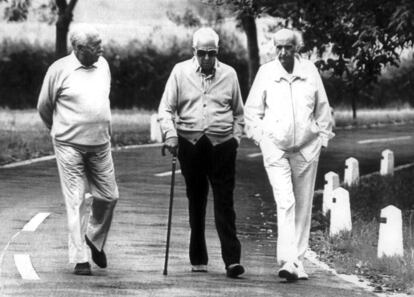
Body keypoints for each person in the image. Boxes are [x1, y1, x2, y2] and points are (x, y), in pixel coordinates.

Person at [244, 28, 334, 281]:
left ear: (297, 48)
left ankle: (298, 263)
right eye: (279, 47)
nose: (283, 53)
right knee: (286, 201)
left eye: (288, 47)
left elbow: (323, 109)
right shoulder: (266, 72)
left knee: (303, 207)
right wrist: (263, 139)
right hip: (276, 149)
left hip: (306, 149)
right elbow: (251, 114)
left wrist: (320, 140)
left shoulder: (310, 72)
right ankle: (287, 260)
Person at [158, 27, 245, 278]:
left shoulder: (229, 74)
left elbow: (239, 112)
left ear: (218, 52)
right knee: (196, 200)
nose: (207, 58)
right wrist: (170, 135)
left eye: (212, 53)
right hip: (190, 143)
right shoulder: (180, 72)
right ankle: (198, 258)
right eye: (202, 53)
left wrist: (235, 139)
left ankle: (232, 261)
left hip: (222, 145)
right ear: (193, 51)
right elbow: (166, 109)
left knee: (225, 203)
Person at [37, 24, 119, 276]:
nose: (102, 48)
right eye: (96, 45)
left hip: (100, 144)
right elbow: (44, 106)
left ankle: (93, 238)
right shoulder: (59, 70)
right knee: (76, 200)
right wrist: (61, 130)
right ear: (80, 48)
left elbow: (103, 98)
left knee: (109, 196)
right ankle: (80, 259)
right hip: (68, 145)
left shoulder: (103, 65)